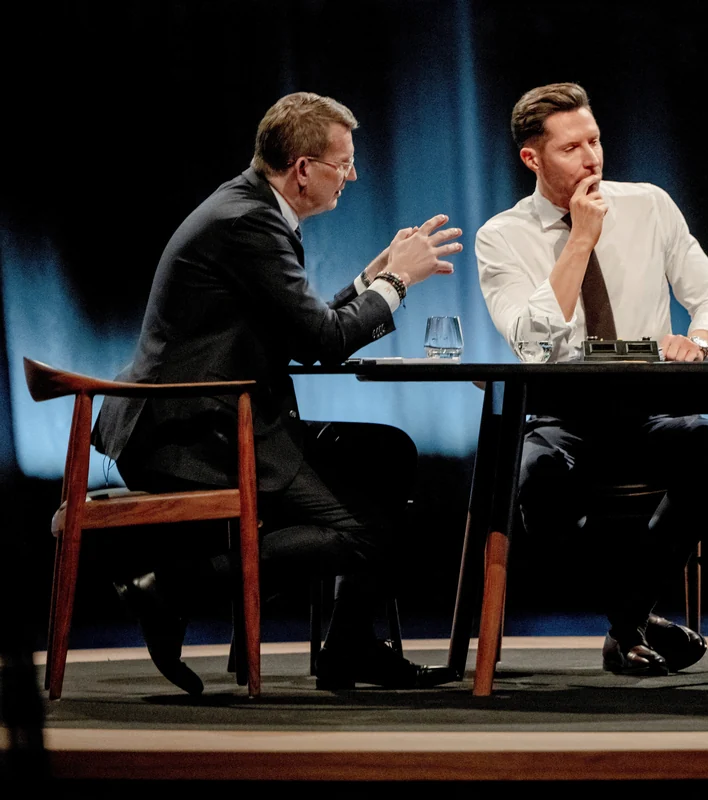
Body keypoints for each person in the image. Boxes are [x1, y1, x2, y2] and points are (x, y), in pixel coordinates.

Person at [92, 92, 464, 693]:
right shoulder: (247, 222)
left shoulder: (253, 209)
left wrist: (369, 282)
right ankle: (171, 587)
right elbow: (325, 341)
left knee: (386, 452)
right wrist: (398, 281)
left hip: (224, 418)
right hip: (190, 434)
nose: (352, 176)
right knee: (362, 530)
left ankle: (348, 646)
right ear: (303, 169)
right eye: (344, 163)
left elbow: (301, 331)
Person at [476, 83, 708, 675]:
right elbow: (532, 345)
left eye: (594, 141)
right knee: (535, 477)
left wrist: (697, 341)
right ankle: (634, 619)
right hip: (561, 416)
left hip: (648, 410)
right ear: (532, 158)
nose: (591, 158)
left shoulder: (649, 205)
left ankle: (627, 618)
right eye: (571, 148)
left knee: (707, 446)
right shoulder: (502, 236)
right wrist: (581, 239)